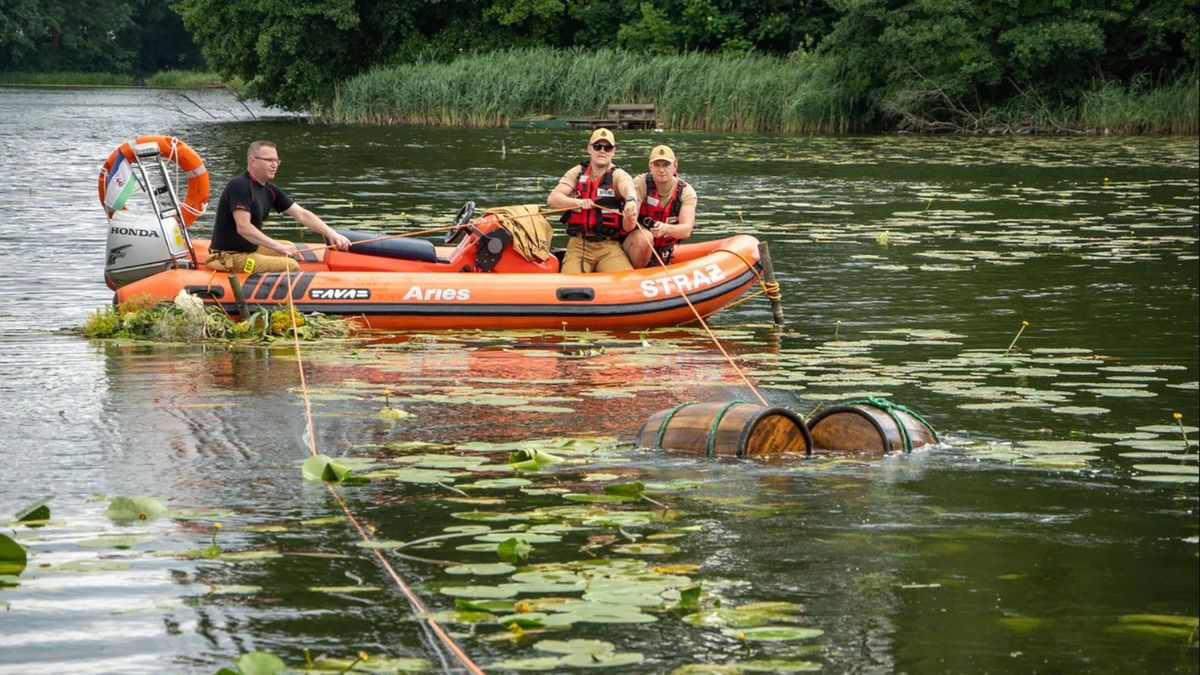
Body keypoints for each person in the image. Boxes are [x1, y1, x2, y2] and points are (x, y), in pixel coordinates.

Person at [204, 140, 350, 274]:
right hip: (230, 258)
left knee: (289, 245)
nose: (274, 165)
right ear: (252, 161)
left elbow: (302, 214)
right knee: (290, 265)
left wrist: (331, 233)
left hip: (248, 250)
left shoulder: (269, 189)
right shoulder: (239, 186)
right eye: (269, 160)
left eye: (276, 160)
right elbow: (244, 228)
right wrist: (277, 246)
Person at [546, 128, 640, 273]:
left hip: (608, 246)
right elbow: (553, 199)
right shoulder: (577, 172)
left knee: (625, 280)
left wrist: (631, 201)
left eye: (607, 147)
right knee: (571, 286)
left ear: (613, 151)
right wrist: (578, 202)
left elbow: (627, 186)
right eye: (597, 146)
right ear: (590, 149)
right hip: (578, 244)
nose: (602, 151)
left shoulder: (618, 175)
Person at [623, 144, 696, 268]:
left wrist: (665, 228)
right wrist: (630, 215)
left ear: (675, 166)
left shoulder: (686, 192)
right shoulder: (640, 183)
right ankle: (635, 275)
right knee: (645, 237)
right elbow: (628, 225)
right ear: (650, 166)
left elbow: (686, 230)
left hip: (664, 248)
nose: (661, 170)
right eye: (657, 165)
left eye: (666, 165)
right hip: (636, 244)